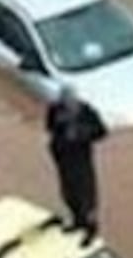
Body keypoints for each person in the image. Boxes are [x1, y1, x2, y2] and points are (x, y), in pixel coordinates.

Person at [43, 86, 108, 246]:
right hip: (63, 157)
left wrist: (80, 133)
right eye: (65, 104)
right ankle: (77, 221)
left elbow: (102, 132)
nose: (68, 107)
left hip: (81, 158)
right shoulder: (54, 109)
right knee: (69, 192)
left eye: (70, 104)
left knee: (85, 194)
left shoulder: (86, 112)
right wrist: (60, 129)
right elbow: (49, 127)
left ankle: (91, 230)